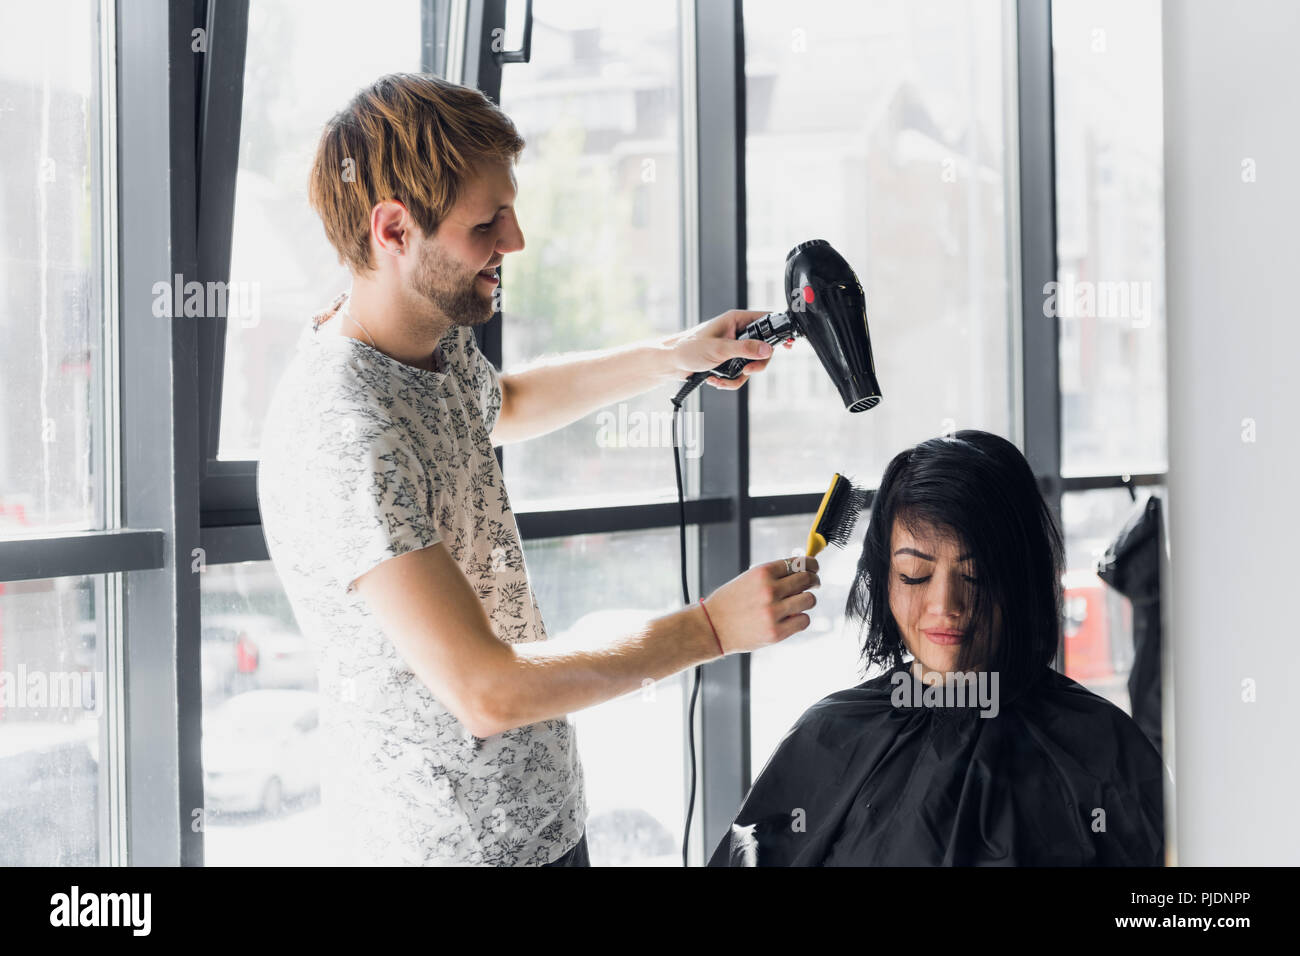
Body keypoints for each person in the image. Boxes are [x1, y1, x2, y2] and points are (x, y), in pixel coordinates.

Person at [256, 72, 818, 867]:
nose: (513, 242)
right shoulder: (346, 431)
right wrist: (710, 629)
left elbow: (503, 402)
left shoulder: (429, 333)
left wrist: (672, 355)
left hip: (541, 824)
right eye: (488, 223)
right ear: (392, 229)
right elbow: (485, 690)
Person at [708, 430, 1167, 866]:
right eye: (914, 575)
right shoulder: (827, 736)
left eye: (976, 575)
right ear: (884, 578)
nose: (946, 605)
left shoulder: (1101, 748)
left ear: (1021, 581)